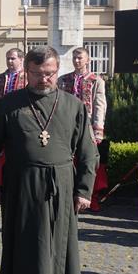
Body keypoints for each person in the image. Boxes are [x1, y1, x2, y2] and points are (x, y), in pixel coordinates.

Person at [0, 45, 96, 274]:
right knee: (23, 250)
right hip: (21, 186)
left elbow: (87, 153)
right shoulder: (8, 105)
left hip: (61, 187)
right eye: (38, 74)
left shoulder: (73, 105)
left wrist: (84, 190)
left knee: (61, 252)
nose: (45, 79)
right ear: (26, 72)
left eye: (51, 73)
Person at [58, 47, 108, 211]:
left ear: (88, 60)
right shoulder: (63, 79)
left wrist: (98, 130)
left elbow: (100, 106)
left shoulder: (96, 81)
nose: (76, 60)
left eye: (80, 58)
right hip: (66, 126)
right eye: (74, 57)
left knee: (87, 160)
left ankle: (87, 195)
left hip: (86, 126)